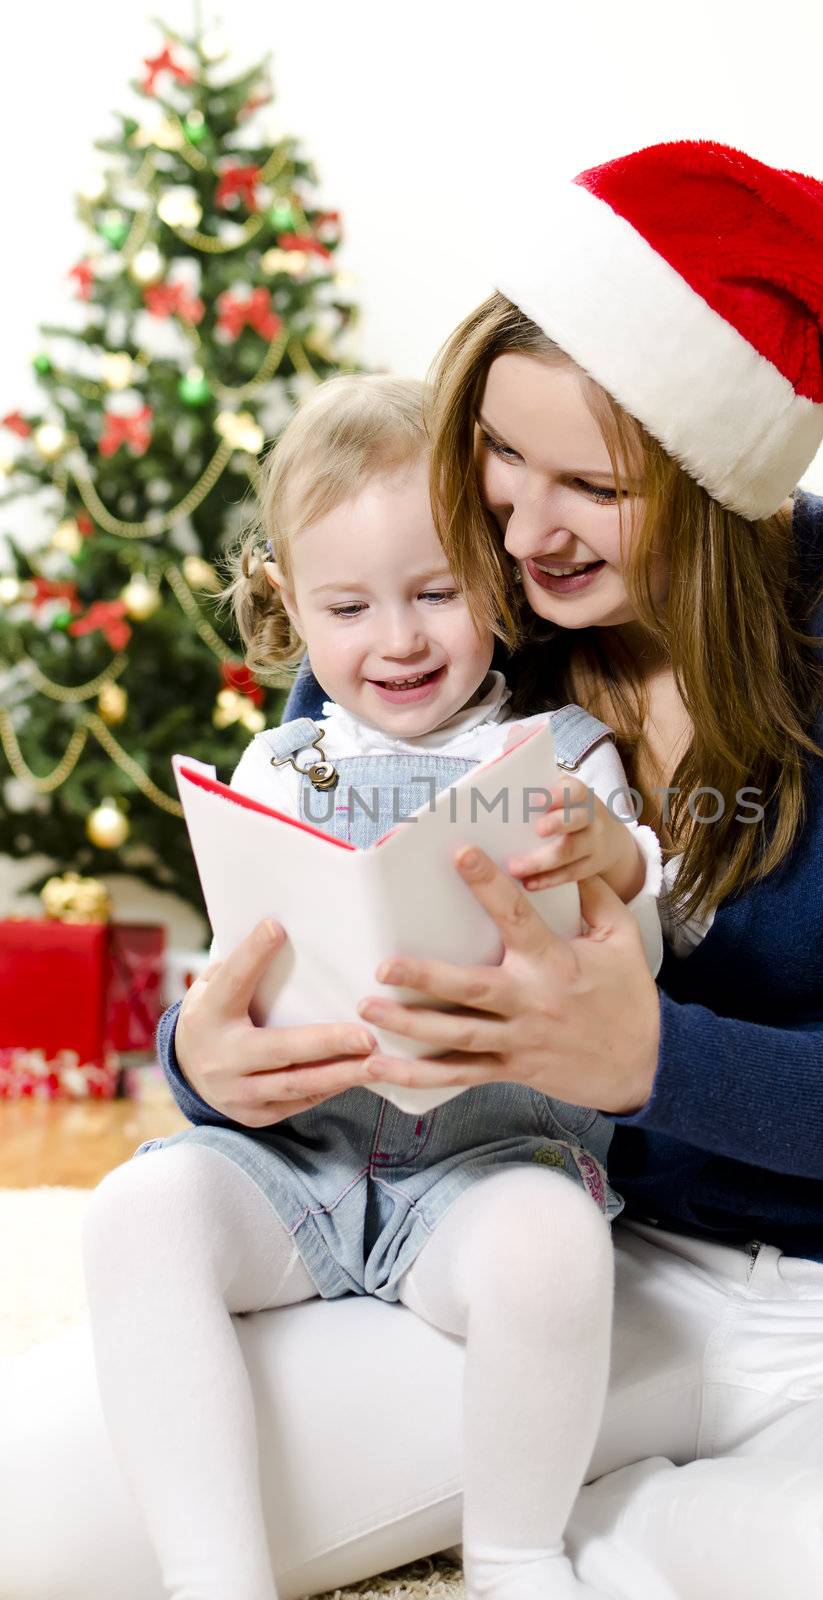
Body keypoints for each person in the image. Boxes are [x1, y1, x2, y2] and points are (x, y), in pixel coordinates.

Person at [2, 140, 823, 1600]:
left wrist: (648, 1057)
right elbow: (314, 917)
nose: (521, 525)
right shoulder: (457, 604)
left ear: (720, 476)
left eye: (592, 484)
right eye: (501, 453)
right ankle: (574, 1503)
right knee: (29, 1521)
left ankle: (597, 1531)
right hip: (555, 1259)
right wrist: (209, 1065)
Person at [79, 373, 664, 1600]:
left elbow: (639, 948)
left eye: (436, 593)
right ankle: (213, 1575)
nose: (396, 640)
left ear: (496, 588)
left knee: (556, 1251)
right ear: (291, 606)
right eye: (348, 606)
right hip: (301, 1163)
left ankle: (514, 1551)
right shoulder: (279, 762)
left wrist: (610, 861)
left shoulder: (558, 755)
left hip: (485, 1168)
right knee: (133, 1219)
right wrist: (208, 1029)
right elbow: (231, 973)